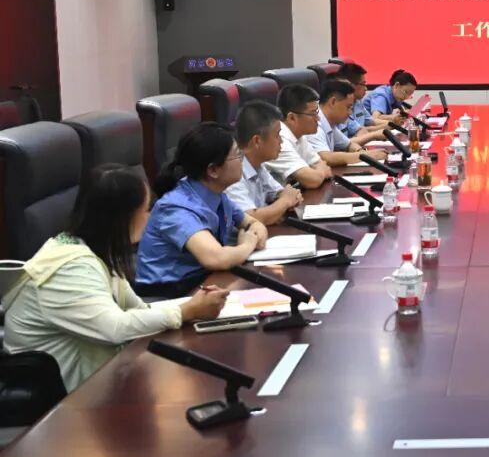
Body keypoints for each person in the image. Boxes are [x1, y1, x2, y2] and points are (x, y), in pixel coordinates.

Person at [2, 165, 228, 392]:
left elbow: (139, 309)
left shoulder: (96, 251)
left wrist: (194, 306)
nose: (150, 217)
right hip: (58, 400)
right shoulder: (71, 268)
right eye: (146, 210)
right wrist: (185, 311)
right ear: (123, 217)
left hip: (94, 381)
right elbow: (114, 328)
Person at [135, 123, 268, 296]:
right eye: (237, 155)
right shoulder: (176, 208)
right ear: (213, 170)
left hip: (203, 282)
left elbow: (254, 224)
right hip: (167, 296)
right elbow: (216, 258)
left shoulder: (216, 194)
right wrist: (247, 244)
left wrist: (253, 233)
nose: (242, 160)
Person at [225, 101, 304, 226]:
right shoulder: (232, 172)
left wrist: (289, 197)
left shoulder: (258, 165)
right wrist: (285, 202)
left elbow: (282, 192)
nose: (281, 141)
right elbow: (249, 219)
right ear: (257, 141)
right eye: (277, 135)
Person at [263, 84, 333, 189]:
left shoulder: (299, 136)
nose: (318, 119)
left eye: (317, 112)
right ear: (292, 118)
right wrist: (320, 173)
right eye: (313, 114)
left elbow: (321, 165)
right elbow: (312, 180)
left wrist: (318, 173)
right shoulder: (279, 141)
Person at [306, 79, 389, 166]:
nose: (350, 113)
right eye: (348, 107)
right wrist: (367, 156)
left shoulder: (330, 123)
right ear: (333, 102)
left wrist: (360, 151)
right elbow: (325, 158)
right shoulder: (313, 122)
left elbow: (349, 144)